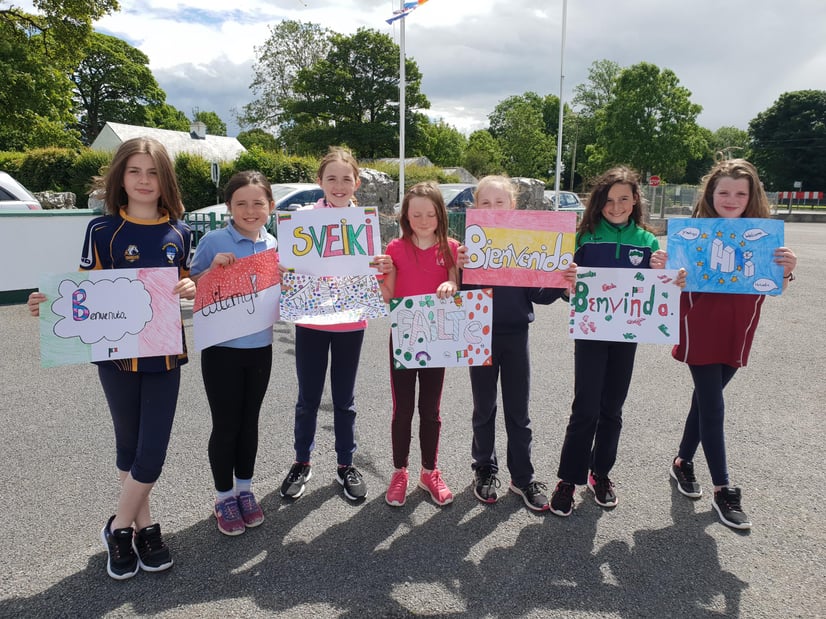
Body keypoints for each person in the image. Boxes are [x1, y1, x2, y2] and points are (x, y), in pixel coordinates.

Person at [27, 137, 196, 579]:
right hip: (116, 357)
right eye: (135, 171)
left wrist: (191, 286)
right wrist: (50, 304)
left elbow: (184, 281)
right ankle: (144, 529)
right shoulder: (101, 231)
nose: (144, 180)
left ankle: (117, 528)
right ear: (121, 176)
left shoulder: (181, 231)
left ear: (166, 180)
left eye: (153, 172)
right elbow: (84, 293)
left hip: (164, 355)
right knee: (129, 445)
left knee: (152, 452)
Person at [660, 158, 797, 530]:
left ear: (752, 195)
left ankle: (681, 462)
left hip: (740, 328)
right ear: (711, 193)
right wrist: (665, 267)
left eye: (740, 192)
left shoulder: (764, 236)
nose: (731, 198)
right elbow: (671, 281)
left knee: (705, 403)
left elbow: (778, 286)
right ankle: (723, 488)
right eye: (724, 191)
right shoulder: (694, 232)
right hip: (700, 325)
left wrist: (786, 269)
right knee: (713, 406)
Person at [549, 166, 676, 518]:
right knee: (585, 408)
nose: (616, 206)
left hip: (626, 336)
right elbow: (565, 287)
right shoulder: (585, 237)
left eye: (624, 199)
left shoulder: (648, 241)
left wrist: (662, 271)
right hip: (590, 334)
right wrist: (568, 280)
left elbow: (661, 290)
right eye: (609, 200)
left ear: (635, 200)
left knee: (612, 410)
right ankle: (568, 480)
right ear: (598, 203)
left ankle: (600, 474)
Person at [459, 176, 569, 512]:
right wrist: (457, 268)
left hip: (516, 333)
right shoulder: (467, 247)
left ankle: (521, 477)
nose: (493, 209)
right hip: (479, 334)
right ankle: (485, 469)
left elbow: (539, 293)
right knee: (484, 407)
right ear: (476, 208)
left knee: (518, 412)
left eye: (500, 202)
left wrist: (562, 283)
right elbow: (454, 292)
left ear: (513, 206)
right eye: (486, 204)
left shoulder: (525, 243)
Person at [279, 147, 369, 502]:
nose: (339, 184)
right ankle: (302, 461)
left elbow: (373, 266)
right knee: (308, 399)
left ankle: (346, 464)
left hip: (350, 322)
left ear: (356, 182)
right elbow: (286, 261)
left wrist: (379, 265)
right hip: (312, 321)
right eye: (331, 178)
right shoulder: (304, 218)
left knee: (345, 400)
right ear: (319, 182)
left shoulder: (365, 221)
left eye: (346, 178)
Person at [189, 171, 277, 536]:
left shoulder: (273, 244)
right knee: (226, 424)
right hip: (222, 350)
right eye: (241, 203)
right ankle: (223, 496)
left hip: (260, 348)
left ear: (270, 208)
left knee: (250, 422)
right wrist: (210, 272)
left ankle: (245, 490)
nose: (250, 210)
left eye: (258, 203)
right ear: (229, 207)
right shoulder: (213, 240)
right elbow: (191, 287)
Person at [373, 181, 460, 507]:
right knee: (403, 409)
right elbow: (389, 295)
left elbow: (456, 281)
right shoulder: (394, 249)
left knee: (431, 410)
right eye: (416, 214)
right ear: (405, 217)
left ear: (440, 214)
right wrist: (382, 275)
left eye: (430, 214)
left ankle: (429, 472)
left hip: (437, 338)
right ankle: (400, 471)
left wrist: (451, 282)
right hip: (405, 337)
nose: (423, 220)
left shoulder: (451, 248)